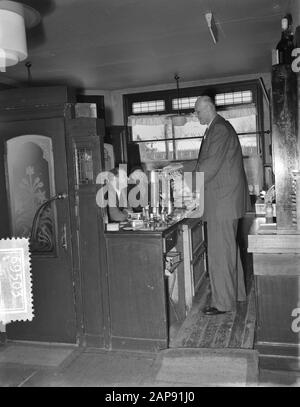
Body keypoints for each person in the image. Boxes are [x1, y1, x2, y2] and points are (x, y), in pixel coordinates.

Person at [194, 95, 250, 315]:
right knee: (228, 251)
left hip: (221, 202)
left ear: (208, 108)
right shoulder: (219, 128)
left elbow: (208, 167)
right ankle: (236, 294)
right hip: (225, 201)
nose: (196, 115)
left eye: (197, 111)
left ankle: (223, 304)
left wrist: (184, 182)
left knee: (220, 254)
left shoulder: (218, 129)